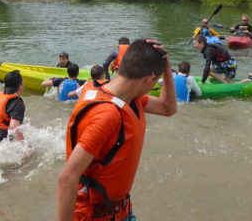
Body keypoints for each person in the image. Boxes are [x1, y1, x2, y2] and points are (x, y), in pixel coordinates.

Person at [56, 38, 176, 221]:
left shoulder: (127, 97)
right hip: (96, 214)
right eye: (156, 81)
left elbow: (167, 108)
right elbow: (67, 178)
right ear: (148, 79)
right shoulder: (107, 116)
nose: (154, 86)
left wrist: (166, 70)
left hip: (120, 209)